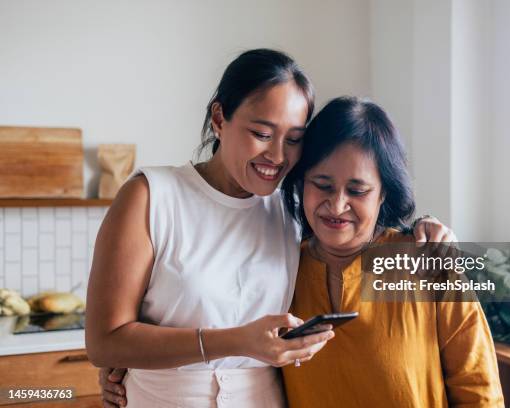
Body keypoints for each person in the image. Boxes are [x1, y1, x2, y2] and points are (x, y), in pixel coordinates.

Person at [88, 49, 454, 408]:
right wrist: (235, 342)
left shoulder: (291, 208)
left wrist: (424, 225)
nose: (278, 156)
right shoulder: (151, 197)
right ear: (219, 117)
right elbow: (105, 342)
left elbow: (354, 221)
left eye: (293, 139)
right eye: (262, 133)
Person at [280, 96, 505, 407]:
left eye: (357, 191)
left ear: (384, 192)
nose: (337, 205)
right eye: (322, 184)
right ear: (301, 182)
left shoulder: (430, 263)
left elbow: (479, 390)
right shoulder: (280, 267)